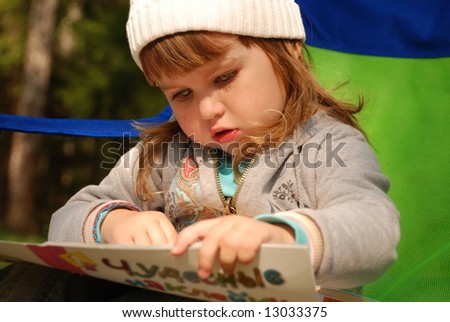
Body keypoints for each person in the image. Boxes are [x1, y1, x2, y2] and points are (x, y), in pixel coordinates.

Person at [0, 0, 399, 301]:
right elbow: (64, 223)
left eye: (225, 77)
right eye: (182, 93)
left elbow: (375, 231)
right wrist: (113, 224)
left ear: (288, 50)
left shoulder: (328, 145)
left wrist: (285, 239)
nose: (207, 110)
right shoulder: (164, 154)